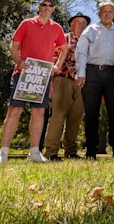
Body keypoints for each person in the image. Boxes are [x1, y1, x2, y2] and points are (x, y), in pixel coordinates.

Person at [0, 0, 68, 164]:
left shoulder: (57, 28)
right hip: (23, 73)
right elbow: (14, 45)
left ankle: (34, 152)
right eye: (44, 4)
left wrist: (57, 66)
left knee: (39, 112)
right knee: (15, 110)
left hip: (42, 76)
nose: (47, 7)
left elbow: (64, 48)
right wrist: (19, 61)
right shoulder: (27, 23)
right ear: (39, 6)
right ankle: (3, 153)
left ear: (54, 9)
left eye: (50, 5)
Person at [76, 0, 114, 159]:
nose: (107, 14)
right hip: (92, 73)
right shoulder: (90, 30)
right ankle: (91, 150)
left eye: (110, 11)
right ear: (99, 14)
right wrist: (81, 73)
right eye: (104, 11)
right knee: (91, 113)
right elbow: (81, 52)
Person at [43, 12, 91, 160]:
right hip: (62, 80)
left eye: (84, 23)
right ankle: (51, 152)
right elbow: (52, 59)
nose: (81, 25)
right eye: (78, 22)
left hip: (82, 84)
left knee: (76, 119)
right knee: (58, 116)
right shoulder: (63, 38)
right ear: (71, 24)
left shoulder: (89, 42)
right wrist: (50, 83)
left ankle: (71, 151)